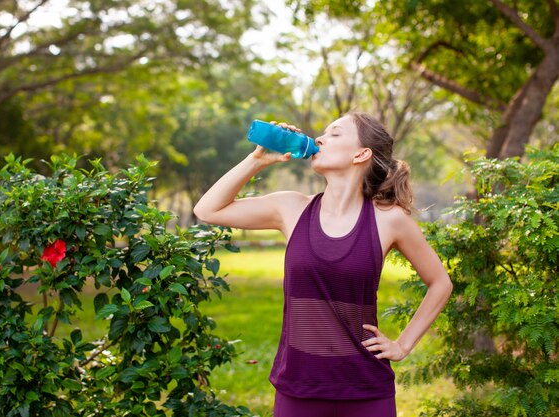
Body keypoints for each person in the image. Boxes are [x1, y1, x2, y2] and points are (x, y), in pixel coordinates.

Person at [193, 112, 453, 417]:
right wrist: (257, 161)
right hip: (298, 387)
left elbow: (440, 283)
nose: (320, 139)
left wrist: (402, 345)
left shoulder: (389, 219)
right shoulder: (291, 207)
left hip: (366, 389)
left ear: (361, 154)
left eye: (335, 134)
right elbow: (207, 210)